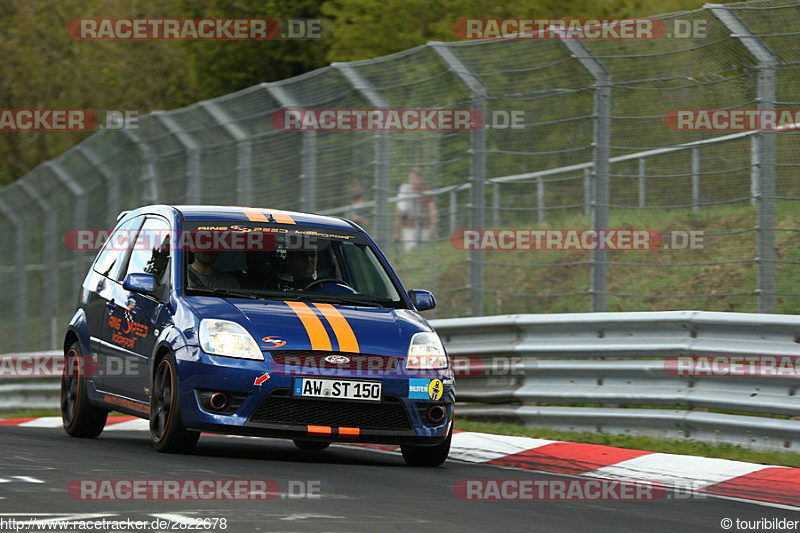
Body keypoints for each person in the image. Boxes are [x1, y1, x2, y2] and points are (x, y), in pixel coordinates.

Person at [394, 167, 438, 252]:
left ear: (420, 179)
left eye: (415, 179)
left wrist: (433, 223)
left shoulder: (427, 191)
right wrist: (397, 232)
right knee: (410, 251)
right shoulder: (405, 192)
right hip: (409, 228)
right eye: (411, 178)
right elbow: (399, 212)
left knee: (424, 251)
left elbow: (432, 209)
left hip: (425, 227)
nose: (412, 181)